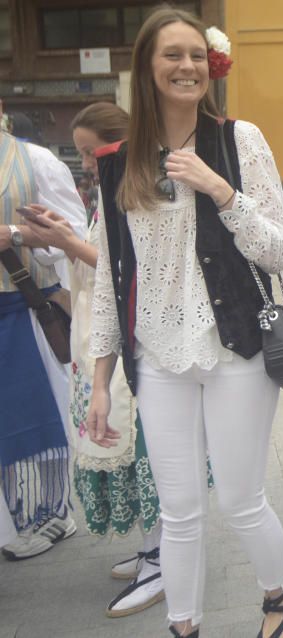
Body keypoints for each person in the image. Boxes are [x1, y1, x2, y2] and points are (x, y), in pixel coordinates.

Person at [85, 9, 283, 637]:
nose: (187, 67)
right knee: (178, 512)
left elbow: (279, 249)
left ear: (212, 66)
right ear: (147, 70)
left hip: (236, 351)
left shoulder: (239, 141)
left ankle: (277, 601)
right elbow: (108, 276)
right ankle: (184, 626)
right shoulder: (117, 163)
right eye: (172, 56)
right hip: (156, 357)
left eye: (197, 56)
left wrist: (220, 190)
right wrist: (101, 381)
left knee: (239, 500)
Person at [21, 102, 167, 617]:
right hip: (104, 336)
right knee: (126, 444)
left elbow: (129, 269)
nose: (84, 162)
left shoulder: (139, 185)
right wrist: (59, 234)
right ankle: (155, 548)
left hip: (132, 340)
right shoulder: (113, 185)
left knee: (141, 448)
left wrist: (63, 241)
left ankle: (161, 554)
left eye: (89, 150)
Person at [0, 101, 87, 562]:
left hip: (22, 309)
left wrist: (14, 232)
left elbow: (75, 233)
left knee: (34, 420)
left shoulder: (32, 162)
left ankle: (48, 513)